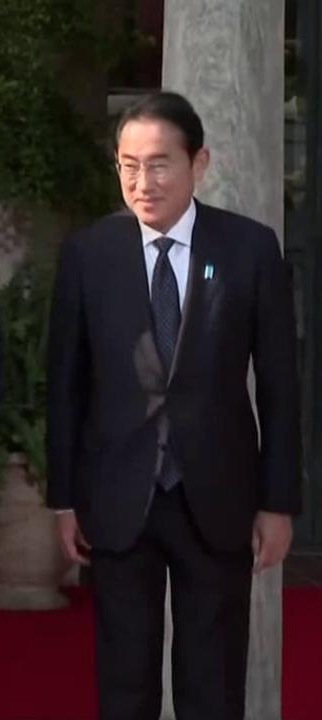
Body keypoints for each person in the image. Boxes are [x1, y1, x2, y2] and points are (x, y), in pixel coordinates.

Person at [46, 90, 300, 720]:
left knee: (211, 686)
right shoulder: (89, 254)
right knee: (123, 684)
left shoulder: (248, 250)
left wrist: (278, 502)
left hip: (216, 497)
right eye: (128, 165)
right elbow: (66, 384)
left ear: (199, 163)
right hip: (117, 498)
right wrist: (64, 497)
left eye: (159, 164)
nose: (142, 181)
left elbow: (279, 384)